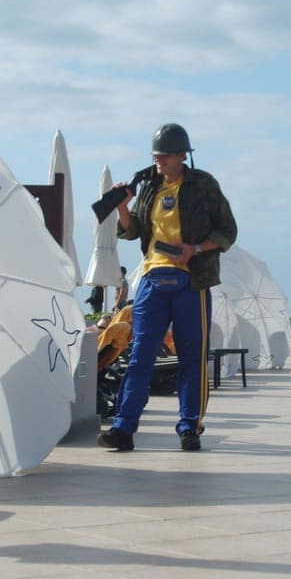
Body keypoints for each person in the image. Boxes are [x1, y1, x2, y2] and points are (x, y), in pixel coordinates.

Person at [97, 123, 237, 452]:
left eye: (164, 156)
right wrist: (122, 206)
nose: (158, 161)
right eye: (155, 156)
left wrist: (196, 249)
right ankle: (123, 428)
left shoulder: (204, 184)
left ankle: (190, 427)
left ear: (181, 155)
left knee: (191, 356)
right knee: (140, 356)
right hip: (152, 278)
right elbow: (131, 232)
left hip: (192, 279)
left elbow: (227, 231)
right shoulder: (148, 187)